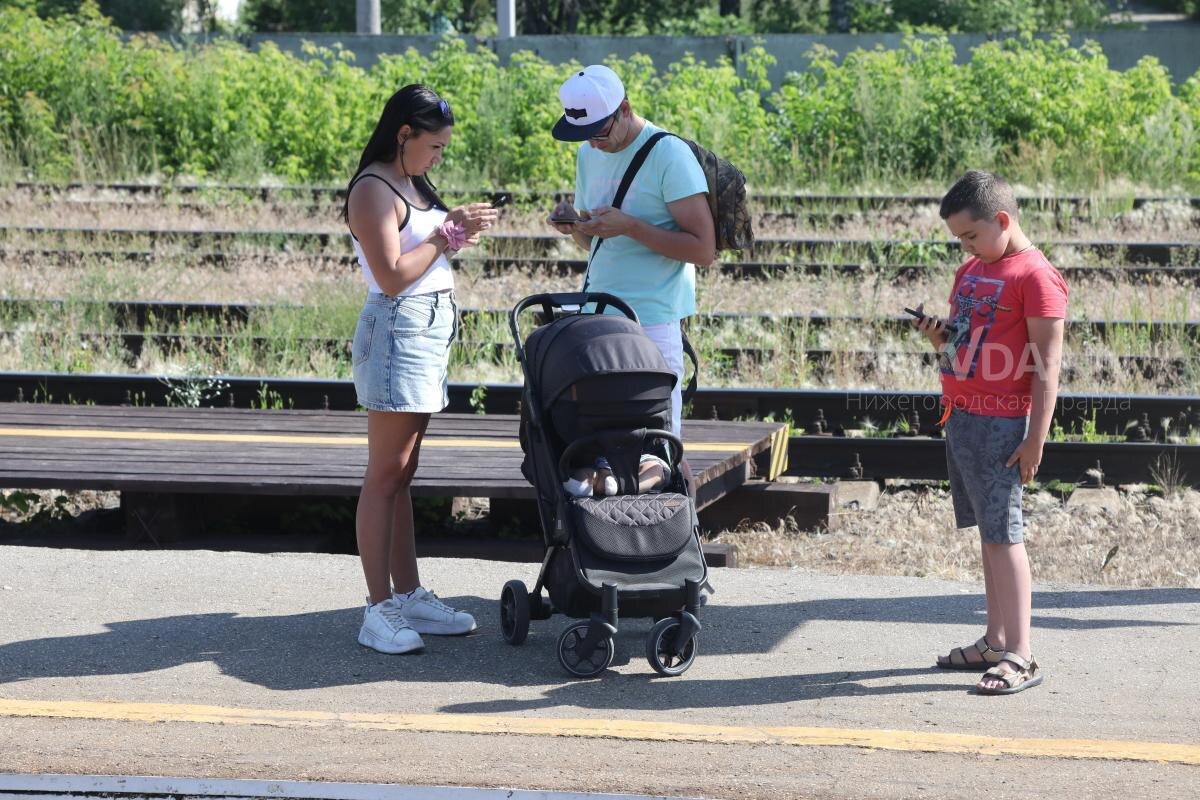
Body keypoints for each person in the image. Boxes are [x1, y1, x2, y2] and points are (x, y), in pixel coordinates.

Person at [342, 84, 499, 654]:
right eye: (433, 146)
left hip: (425, 330)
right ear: (403, 134)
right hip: (397, 330)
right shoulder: (373, 188)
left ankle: (407, 595)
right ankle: (377, 608)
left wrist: (454, 232)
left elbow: (423, 255)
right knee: (385, 474)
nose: (438, 157)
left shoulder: (408, 181)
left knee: (403, 472)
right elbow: (390, 275)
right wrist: (447, 233)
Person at [914, 170, 1067, 695]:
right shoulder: (971, 270)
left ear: (1002, 220)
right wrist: (939, 338)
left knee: (1005, 535)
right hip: (962, 417)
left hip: (1003, 425)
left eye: (971, 235)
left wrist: (1035, 439)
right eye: (960, 238)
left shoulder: (1036, 277)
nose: (966, 246)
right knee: (989, 534)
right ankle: (996, 639)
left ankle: (1021, 653)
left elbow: (1046, 367)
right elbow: (962, 346)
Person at [548, 65, 716, 438]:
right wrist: (576, 227)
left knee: (659, 441)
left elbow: (704, 250)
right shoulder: (588, 153)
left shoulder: (668, 154)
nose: (593, 143)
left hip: (653, 318)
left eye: (599, 132)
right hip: (597, 312)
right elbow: (596, 244)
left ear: (624, 109)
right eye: (583, 135)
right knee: (604, 440)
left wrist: (630, 226)